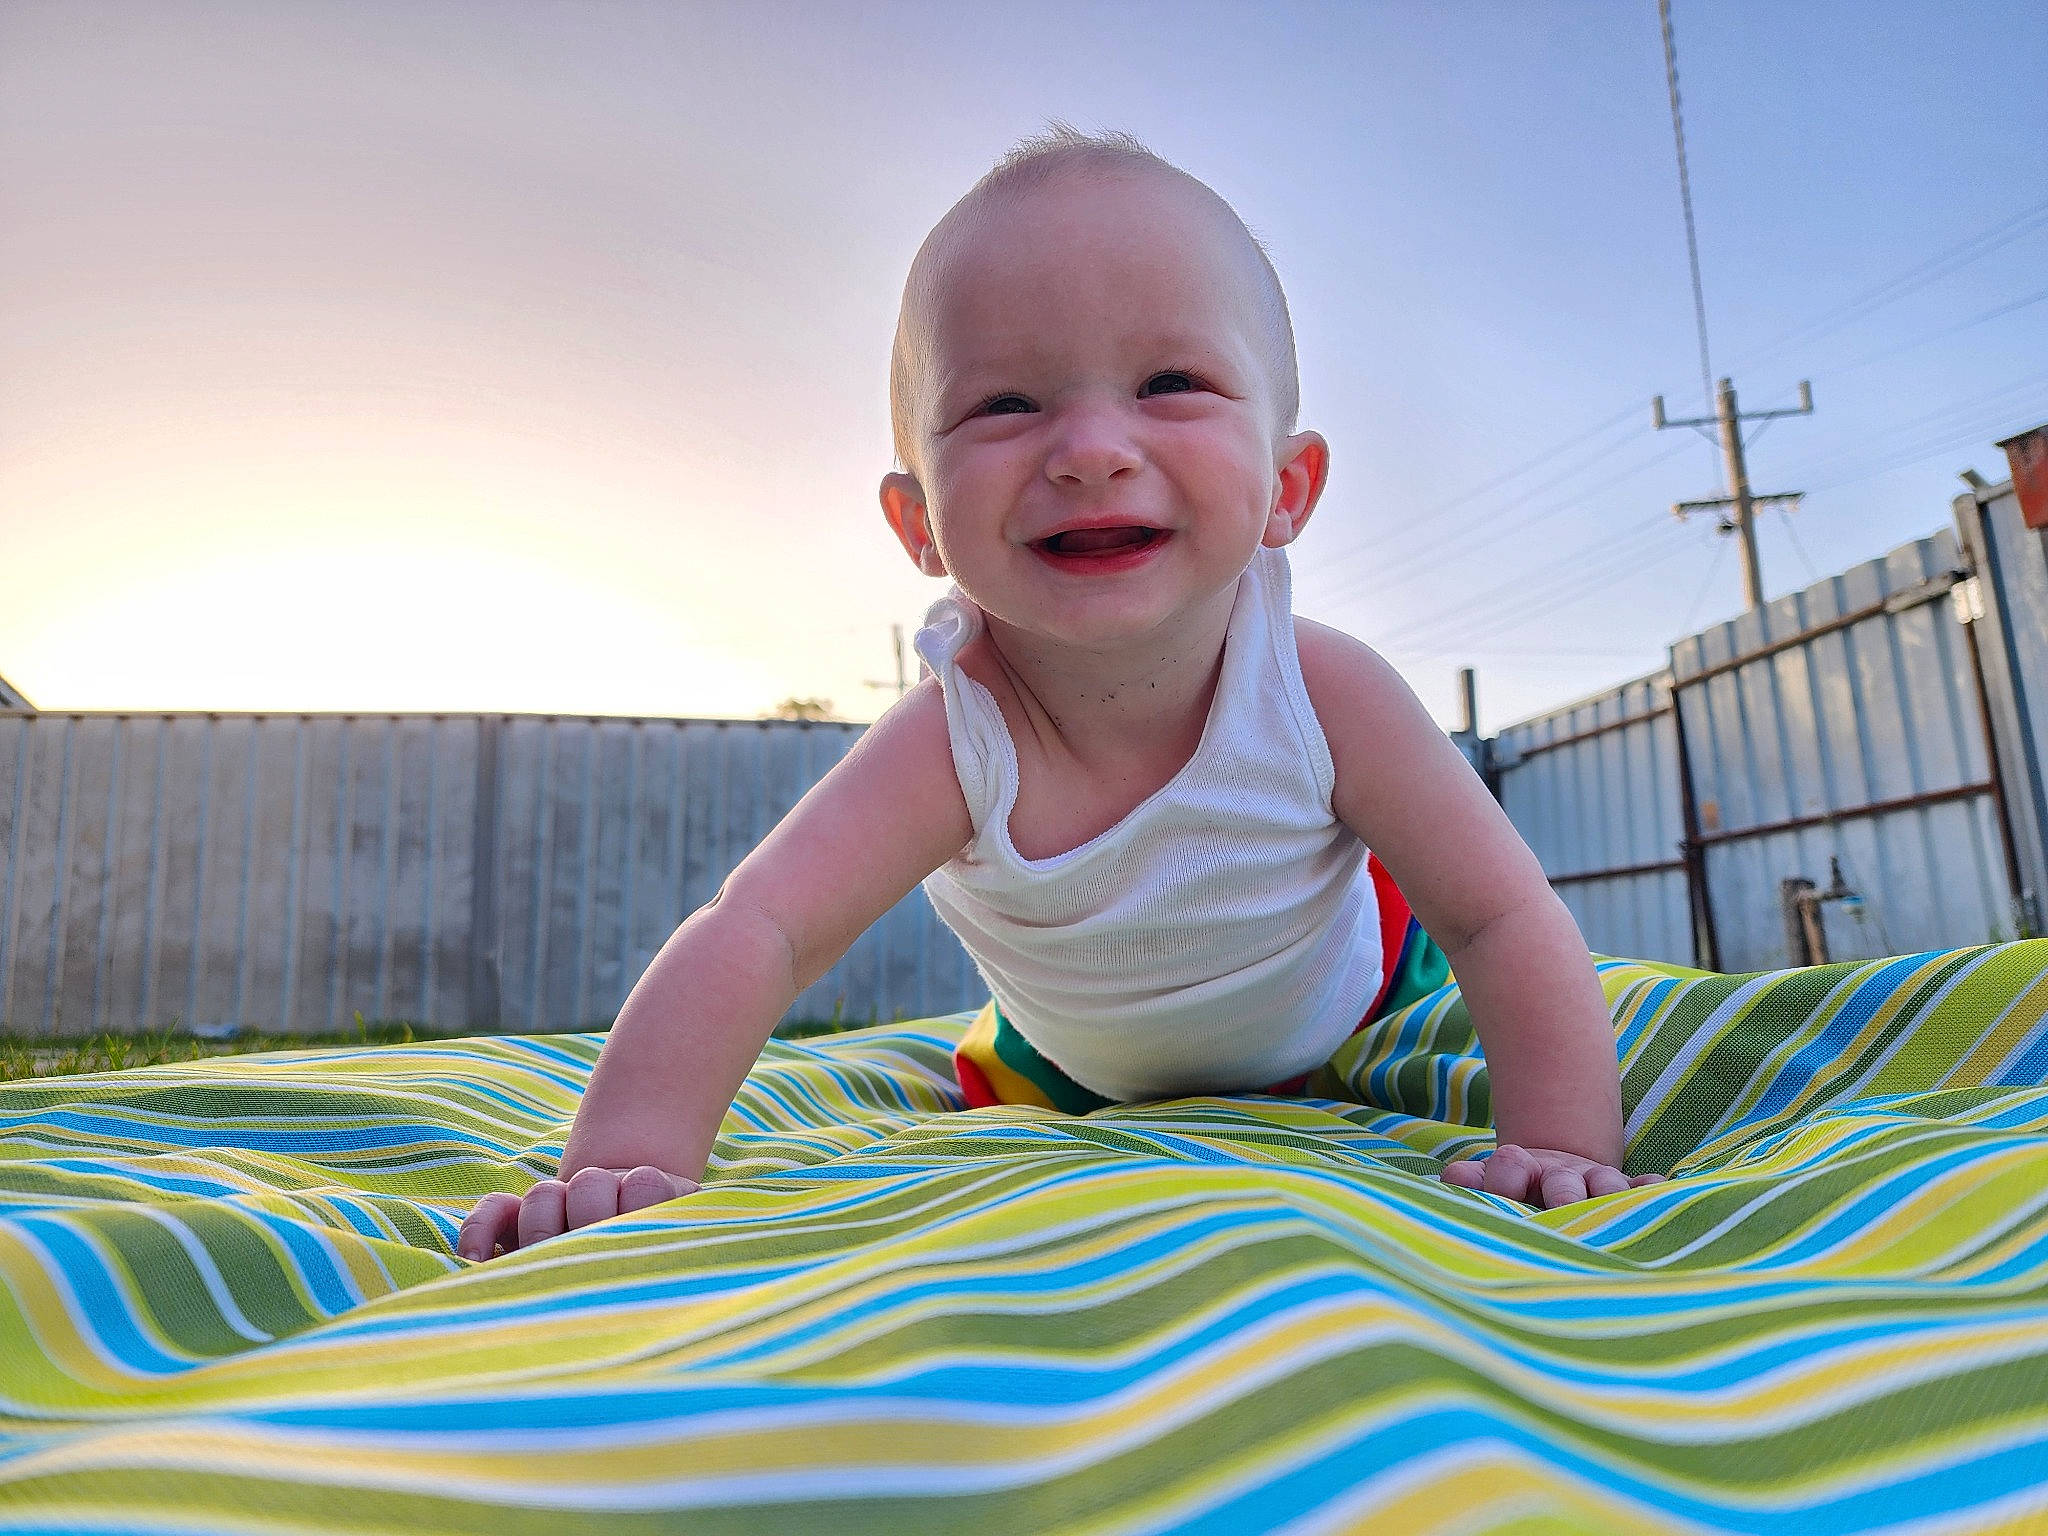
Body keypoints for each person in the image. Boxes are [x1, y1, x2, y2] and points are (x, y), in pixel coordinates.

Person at [457, 126, 1664, 1263]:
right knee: (1002, 1055)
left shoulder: (1322, 689)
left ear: (1287, 486)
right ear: (918, 521)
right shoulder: (950, 740)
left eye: (1170, 381)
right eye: (1006, 404)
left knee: (1460, 949)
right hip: (1061, 1066)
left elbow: (1501, 918)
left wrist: (1561, 1145)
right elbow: (756, 931)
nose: (1088, 446)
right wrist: (624, 1163)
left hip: (1359, 1011)